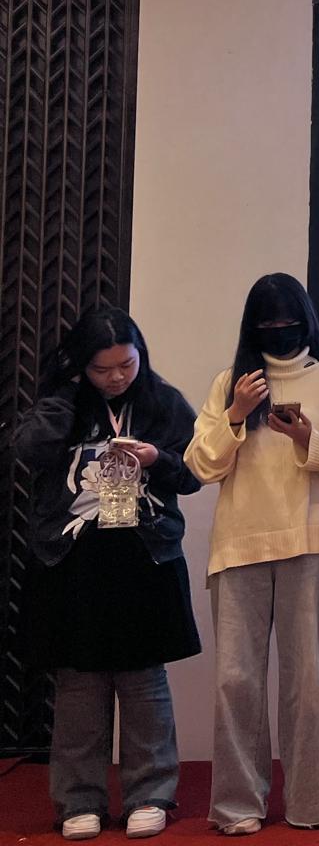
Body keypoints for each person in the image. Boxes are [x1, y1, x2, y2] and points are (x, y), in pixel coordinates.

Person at [15, 308, 201, 841]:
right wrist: (69, 394)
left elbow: (194, 472)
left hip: (145, 557)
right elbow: (27, 449)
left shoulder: (162, 401)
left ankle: (151, 794)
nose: (117, 377)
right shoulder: (64, 401)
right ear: (82, 366)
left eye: (127, 364)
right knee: (79, 684)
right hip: (74, 559)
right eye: (102, 369)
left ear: (141, 356)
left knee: (144, 683)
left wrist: (156, 457)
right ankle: (79, 800)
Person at [185, 273, 319, 835]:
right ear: (252, 328)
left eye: (288, 323)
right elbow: (201, 466)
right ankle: (238, 805)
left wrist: (306, 437)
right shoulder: (231, 383)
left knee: (309, 680)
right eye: (268, 325)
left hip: (310, 541)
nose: (279, 333)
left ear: (305, 323)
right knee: (236, 681)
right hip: (239, 546)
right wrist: (236, 413)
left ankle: (310, 803)